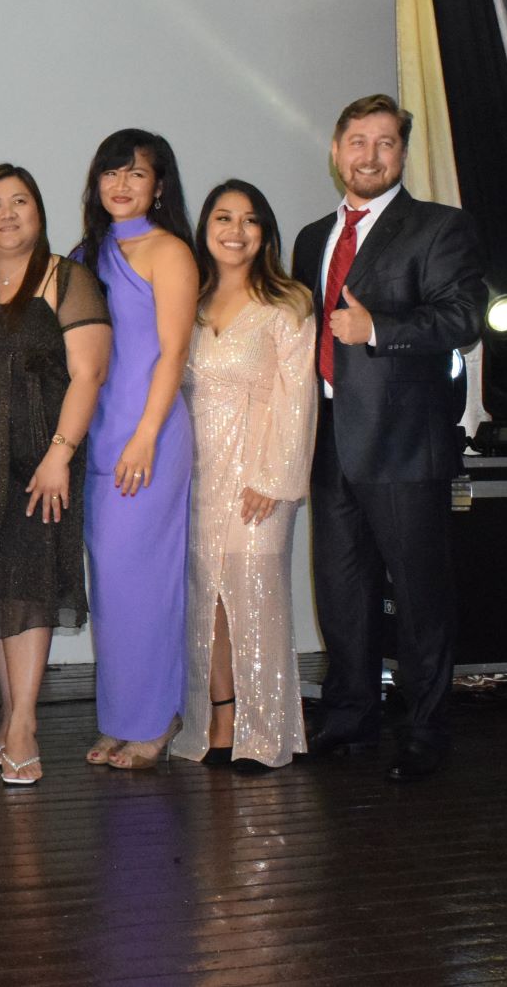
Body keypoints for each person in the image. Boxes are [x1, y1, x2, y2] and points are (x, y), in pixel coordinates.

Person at [292, 94, 482, 782]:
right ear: (335, 150)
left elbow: (464, 319)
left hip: (404, 443)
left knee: (420, 595)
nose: (369, 156)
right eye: (357, 142)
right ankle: (350, 715)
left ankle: (426, 731)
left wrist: (377, 329)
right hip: (328, 440)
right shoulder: (312, 237)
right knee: (341, 590)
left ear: (401, 153)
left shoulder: (438, 227)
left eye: (385, 143)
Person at [0, 165, 111, 787]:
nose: (8, 214)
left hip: (41, 465)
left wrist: (58, 456)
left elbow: (89, 373)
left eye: (20, 202)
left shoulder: (67, 279)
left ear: (40, 213)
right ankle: (7, 718)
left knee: (30, 587)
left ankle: (23, 727)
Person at [171, 181, 316, 773]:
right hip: (196, 476)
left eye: (250, 220)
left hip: (259, 475)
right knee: (207, 604)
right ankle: (220, 721)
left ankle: (264, 732)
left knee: (255, 597)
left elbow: (299, 400)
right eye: (223, 218)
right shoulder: (188, 302)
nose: (236, 230)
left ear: (265, 233)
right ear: (205, 228)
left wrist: (274, 479)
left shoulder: (288, 304)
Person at [76, 130, 199, 771]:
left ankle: (156, 720)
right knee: (112, 586)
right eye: (111, 172)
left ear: (159, 186)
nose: (121, 185)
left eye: (136, 173)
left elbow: (174, 352)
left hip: (148, 436)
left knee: (145, 581)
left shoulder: (169, 251)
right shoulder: (86, 254)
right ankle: (122, 719)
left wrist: (146, 434)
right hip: (96, 436)